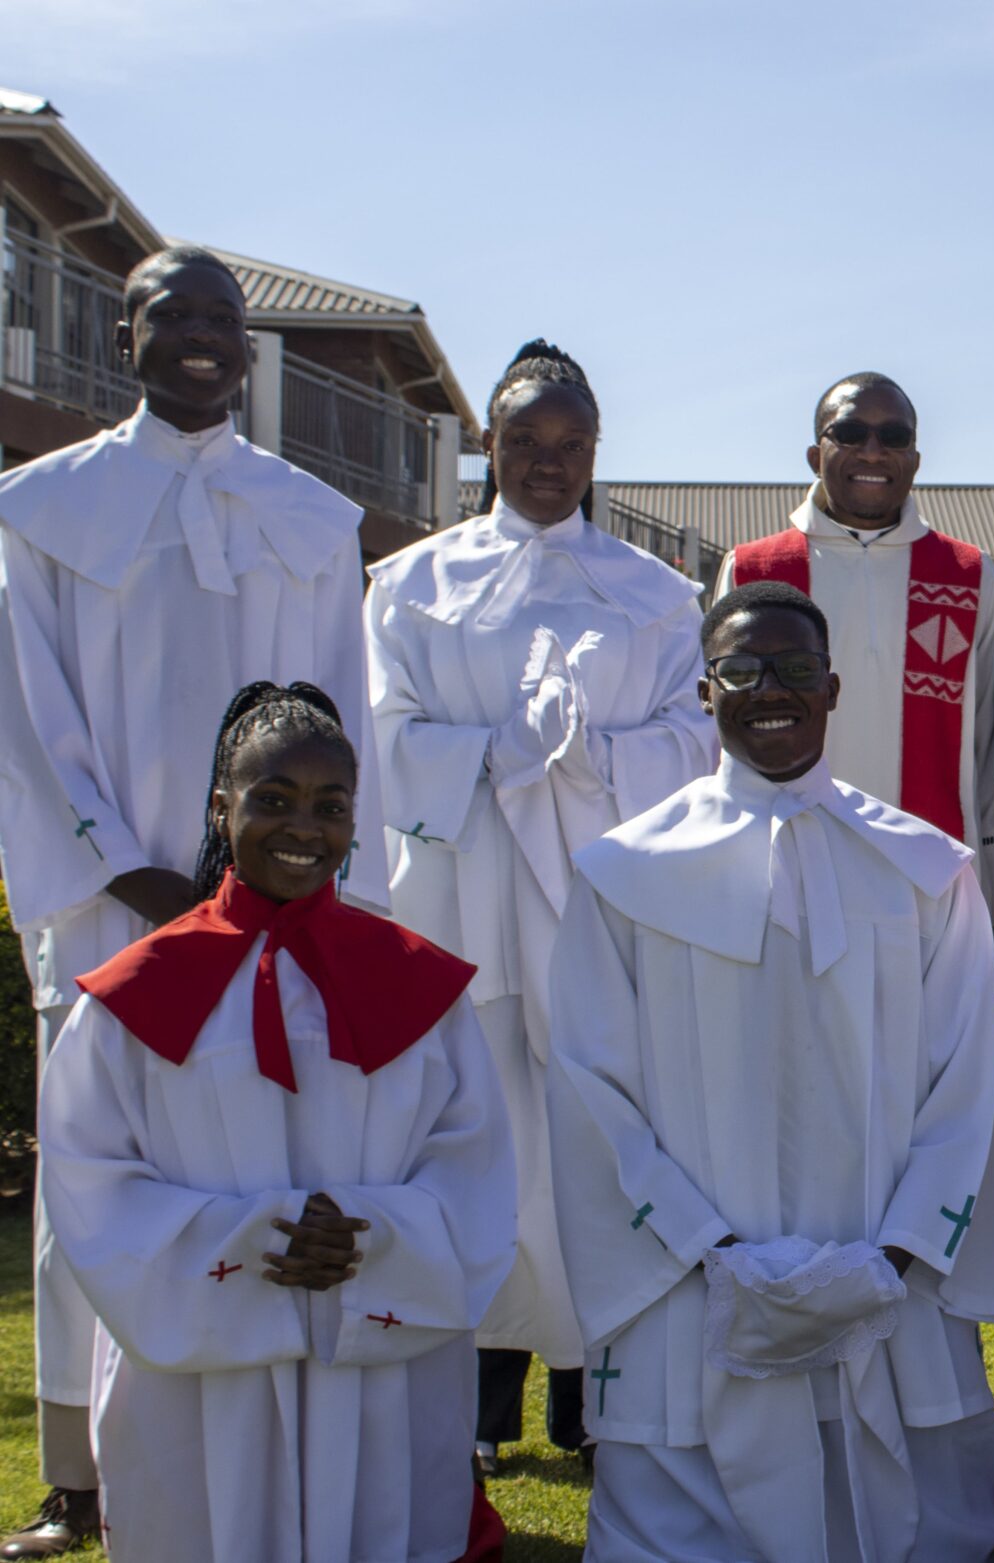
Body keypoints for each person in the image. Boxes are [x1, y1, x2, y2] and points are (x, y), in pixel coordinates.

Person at [0, 245, 385, 1558]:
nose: (203, 337)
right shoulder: (43, 507)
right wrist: (136, 871)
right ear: (128, 337)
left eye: (225, 317)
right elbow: (29, 720)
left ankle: (260, 1445)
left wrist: (301, 879)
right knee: (94, 1182)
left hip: (277, 911)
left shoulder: (312, 517)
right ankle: (80, 1474)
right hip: (115, 908)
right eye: (175, 315)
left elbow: (344, 713)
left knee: (261, 1156)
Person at [545, 581, 994, 1561]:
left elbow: (967, 1079)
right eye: (742, 670)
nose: (772, 689)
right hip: (694, 1279)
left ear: (832, 687)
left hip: (887, 1275)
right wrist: (712, 1254)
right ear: (704, 691)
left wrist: (892, 1256)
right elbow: (593, 1090)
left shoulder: (926, 871)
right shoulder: (624, 875)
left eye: (796, 668)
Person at [38, 683, 515, 1563]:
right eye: (273, 798)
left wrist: (372, 1235)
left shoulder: (422, 989)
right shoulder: (130, 999)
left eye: (331, 805)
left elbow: (472, 1164)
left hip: (373, 1358)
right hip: (203, 1377)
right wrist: (254, 1241)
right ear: (221, 808)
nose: (304, 826)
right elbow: (89, 1180)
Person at [366, 338, 716, 1475]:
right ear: (490, 444)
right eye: (524, 440)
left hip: (594, 894)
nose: (547, 463)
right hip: (463, 893)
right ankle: (478, 1392)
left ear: (596, 452)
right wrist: (493, 752)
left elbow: (692, 741)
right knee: (476, 1133)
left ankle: (589, 1386)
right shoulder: (410, 585)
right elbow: (382, 735)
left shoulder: (657, 593)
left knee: (593, 1140)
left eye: (570, 444)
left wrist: (591, 759)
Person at [718, 370, 994, 923]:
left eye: (894, 436)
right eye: (851, 432)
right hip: (783, 876)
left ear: (916, 458)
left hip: (930, 880)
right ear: (816, 454)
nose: (873, 451)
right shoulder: (754, 570)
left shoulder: (968, 576)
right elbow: (718, 737)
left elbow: (993, 748)